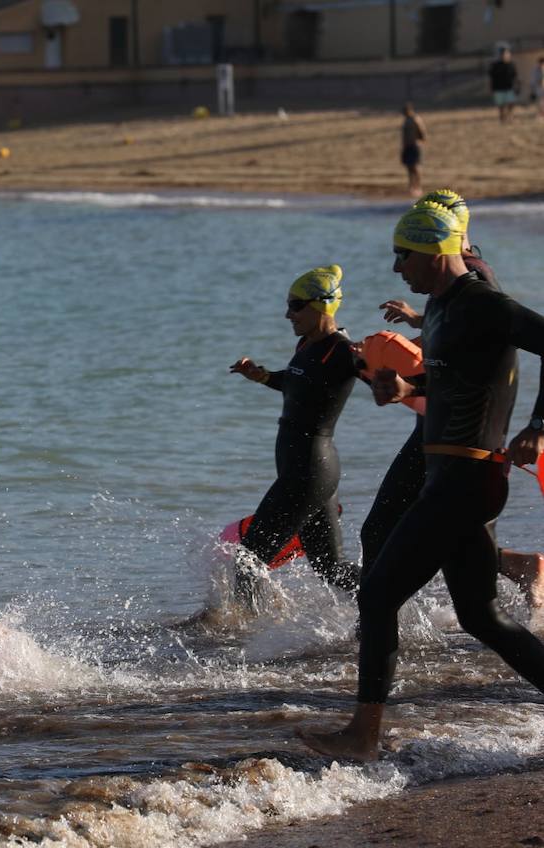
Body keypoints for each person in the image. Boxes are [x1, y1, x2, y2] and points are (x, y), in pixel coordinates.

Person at [301, 202, 544, 761]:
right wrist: (404, 391)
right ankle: (362, 734)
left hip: (469, 477)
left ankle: (362, 737)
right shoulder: (439, 308)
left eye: (402, 254)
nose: (394, 268)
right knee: (482, 616)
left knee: (380, 591)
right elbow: (449, 379)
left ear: (435, 252)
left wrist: (537, 426)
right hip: (450, 475)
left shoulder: (485, 303)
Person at [361, 189, 544, 609]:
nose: (400, 264)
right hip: (445, 425)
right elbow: (456, 341)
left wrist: (537, 427)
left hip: (458, 432)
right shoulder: (449, 282)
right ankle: (513, 575)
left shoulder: (475, 278)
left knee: (385, 530)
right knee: (460, 555)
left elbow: (485, 340)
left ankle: (371, 624)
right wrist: (408, 359)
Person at [227, 266, 362, 611]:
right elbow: (295, 381)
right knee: (330, 568)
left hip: (310, 470)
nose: (288, 313)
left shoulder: (343, 352)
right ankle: (390, 602)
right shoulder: (306, 345)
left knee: (248, 558)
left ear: (323, 306)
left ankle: (242, 637)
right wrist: (262, 376)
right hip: (307, 470)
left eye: (296, 305)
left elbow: (387, 386)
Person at [399, 102, 427, 197]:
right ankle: (411, 187)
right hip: (407, 146)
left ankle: (418, 187)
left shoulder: (416, 119)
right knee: (409, 167)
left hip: (415, 145)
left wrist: (420, 142)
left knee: (416, 167)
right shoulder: (406, 121)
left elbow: (422, 132)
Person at [489, 46, 519, 124]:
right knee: (501, 105)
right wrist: (491, 88)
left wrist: (517, 86)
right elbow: (491, 77)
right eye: (503, 54)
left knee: (511, 103)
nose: (505, 55)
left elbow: (515, 76)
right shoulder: (495, 65)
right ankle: (502, 118)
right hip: (498, 88)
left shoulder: (512, 64)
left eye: (506, 53)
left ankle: (510, 116)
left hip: (510, 87)